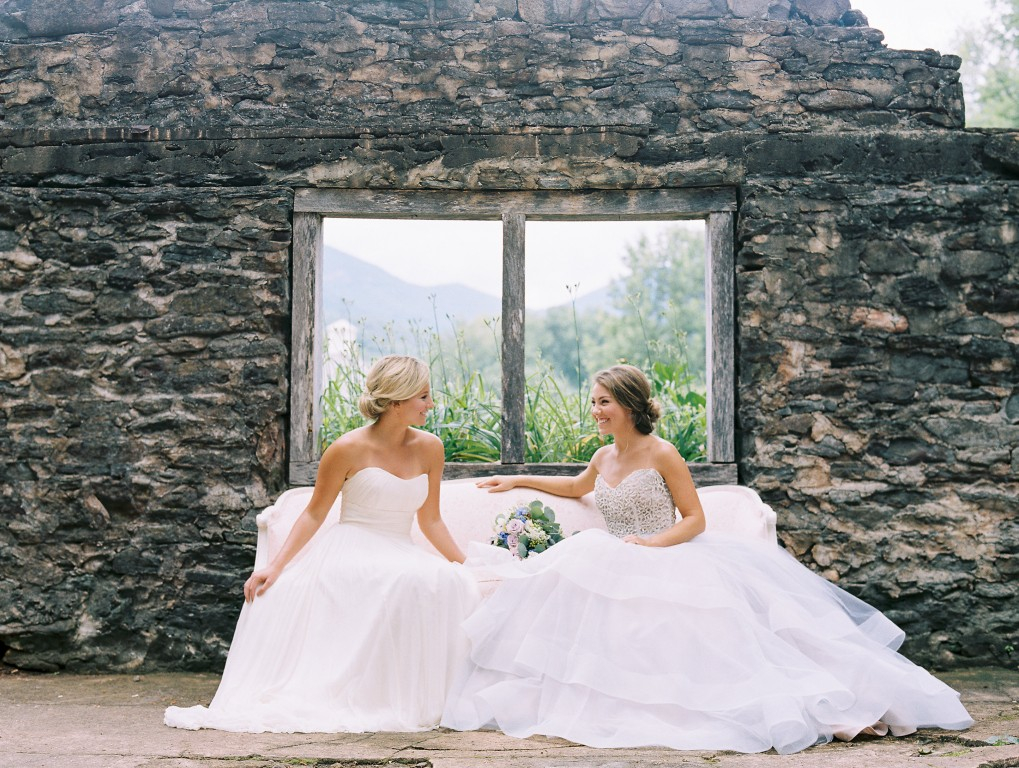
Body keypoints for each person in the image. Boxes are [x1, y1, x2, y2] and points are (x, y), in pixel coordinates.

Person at [440, 364, 973, 754]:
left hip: (667, 551)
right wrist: (517, 478)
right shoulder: (604, 454)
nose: (595, 409)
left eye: (603, 401)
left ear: (627, 404)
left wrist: (654, 545)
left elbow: (694, 518)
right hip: (613, 553)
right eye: (594, 400)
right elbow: (578, 485)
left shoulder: (663, 453)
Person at [165, 355, 480, 733]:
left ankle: (412, 699)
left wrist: (466, 564)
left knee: (447, 581)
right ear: (396, 401)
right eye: (424, 396)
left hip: (399, 545)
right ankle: (360, 695)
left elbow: (430, 519)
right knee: (399, 580)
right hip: (352, 545)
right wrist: (275, 566)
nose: (431, 404)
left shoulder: (431, 448)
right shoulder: (346, 449)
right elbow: (314, 513)